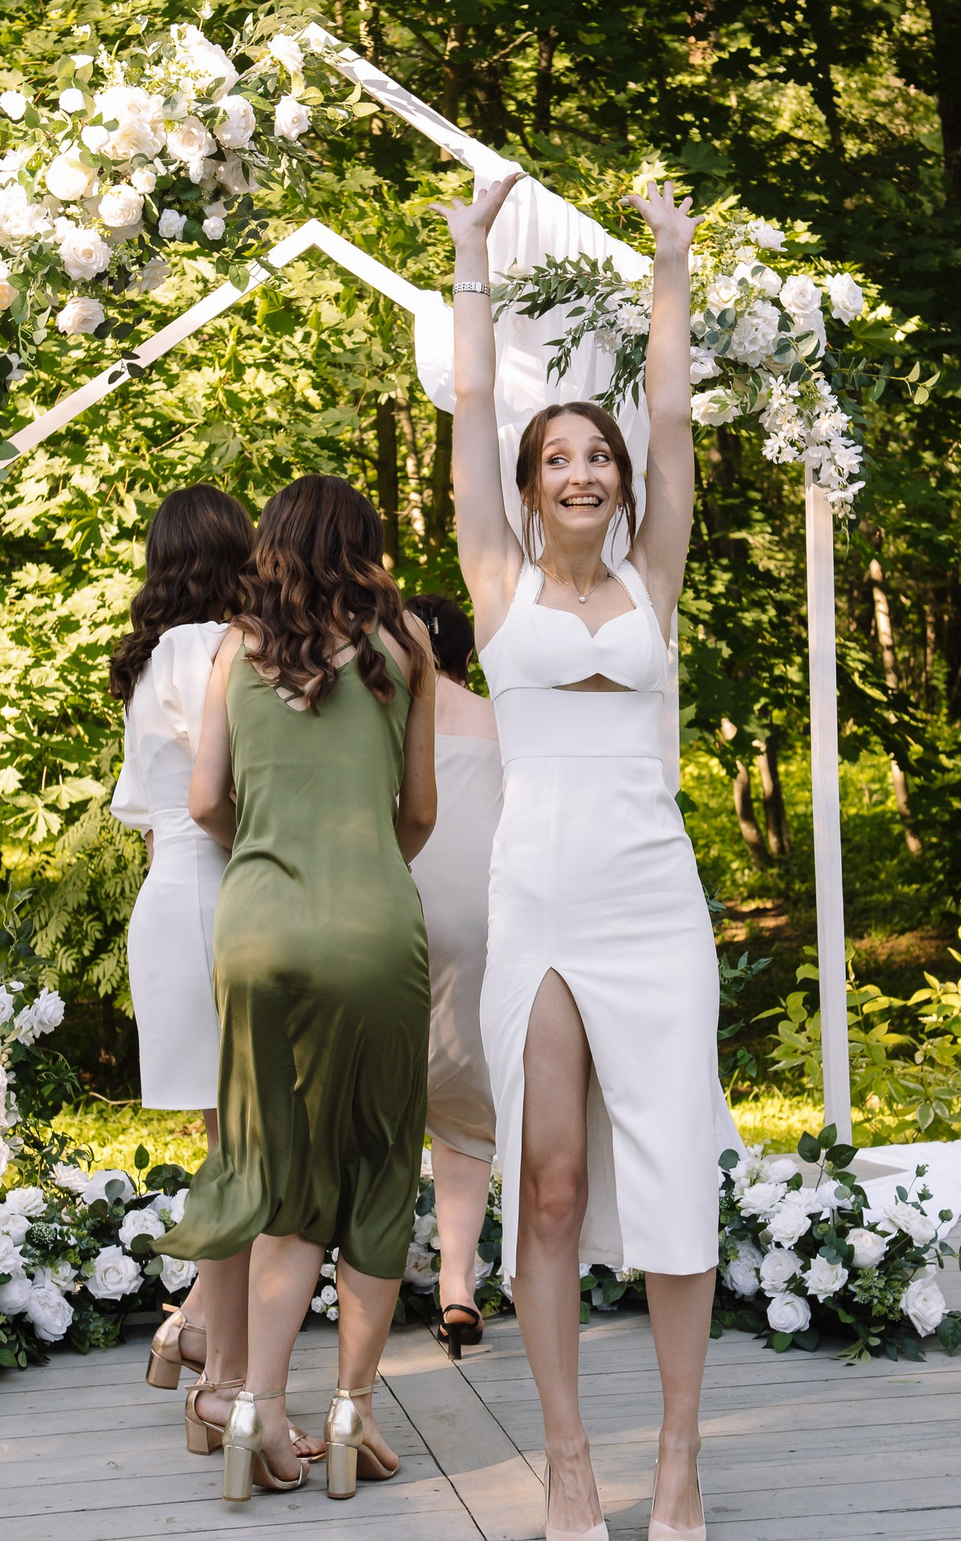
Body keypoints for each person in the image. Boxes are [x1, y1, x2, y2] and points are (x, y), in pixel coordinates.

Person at [439, 172, 731, 1541]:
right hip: (538, 894)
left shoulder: (652, 573)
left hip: (651, 889)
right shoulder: (494, 578)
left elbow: (672, 412)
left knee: (673, 1163)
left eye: (595, 456)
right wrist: (470, 261)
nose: (583, 470)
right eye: (557, 456)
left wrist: (671, 260)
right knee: (547, 1176)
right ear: (526, 481)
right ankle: (568, 1457)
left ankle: (677, 1458)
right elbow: (467, 406)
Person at [154, 474, 440, 1504]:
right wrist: (360, 855)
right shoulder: (404, 646)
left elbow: (202, 801)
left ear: (269, 543)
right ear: (368, 545)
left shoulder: (233, 646)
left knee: (275, 1166)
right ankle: (352, 1411)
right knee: (373, 1165)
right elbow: (418, 814)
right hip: (371, 928)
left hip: (255, 931)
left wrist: (268, 853)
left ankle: (254, 1408)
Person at [108, 484, 254, 1394]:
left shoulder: (150, 656)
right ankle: (219, 1370)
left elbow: (150, 815)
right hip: (219, 889)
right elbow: (222, 790)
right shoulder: (210, 647)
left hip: (169, 895)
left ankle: (194, 1327)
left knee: (224, 1134)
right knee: (242, 1139)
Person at [404, 590, 505, 1357]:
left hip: (394, 908)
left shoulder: (381, 717)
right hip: (479, 922)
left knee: (379, 1107)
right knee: (468, 1114)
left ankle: (340, 1278)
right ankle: (458, 1285)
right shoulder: (500, 717)